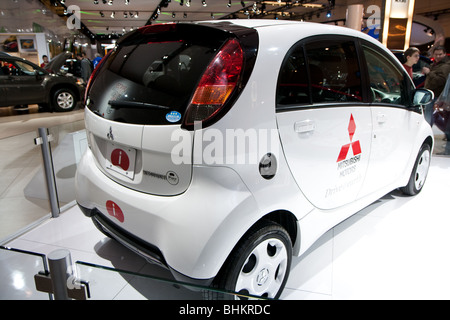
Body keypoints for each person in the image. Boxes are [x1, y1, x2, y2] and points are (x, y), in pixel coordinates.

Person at [422, 46, 450, 125]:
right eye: (436, 54)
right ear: (433, 54)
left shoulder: (446, 66)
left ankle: (427, 131)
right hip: (432, 93)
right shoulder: (436, 64)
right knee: (434, 115)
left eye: (440, 54)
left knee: (429, 115)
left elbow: (441, 80)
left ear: (444, 54)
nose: (438, 56)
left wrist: (429, 73)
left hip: (436, 94)